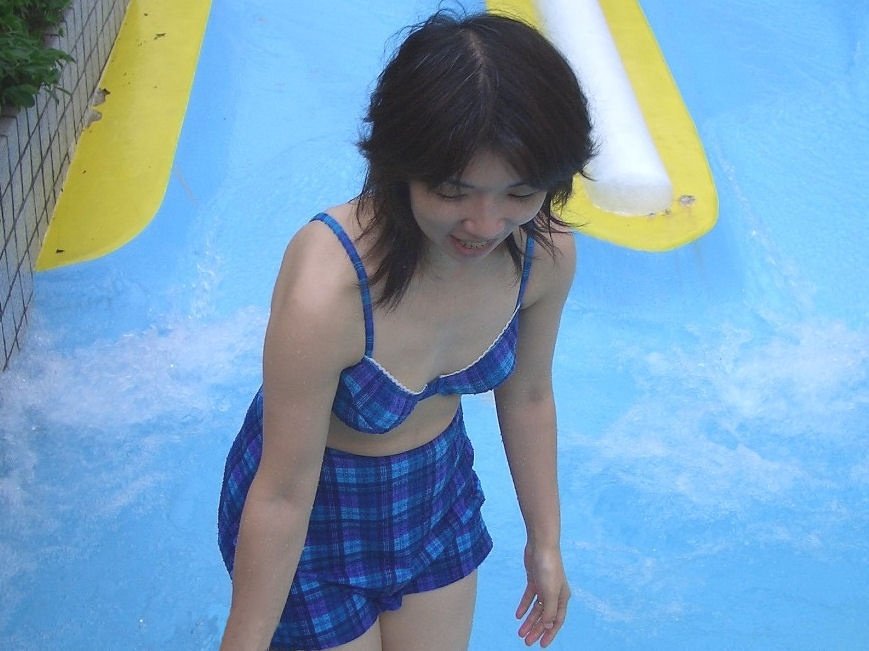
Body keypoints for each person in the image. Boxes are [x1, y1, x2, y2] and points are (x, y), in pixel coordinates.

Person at [218, 9, 594, 651]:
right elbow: (281, 494)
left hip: (435, 498)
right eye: (454, 190)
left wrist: (546, 541)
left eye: (519, 192)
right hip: (315, 516)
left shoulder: (541, 255)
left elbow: (529, 395)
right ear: (401, 166)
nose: (485, 223)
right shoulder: (329, 289)